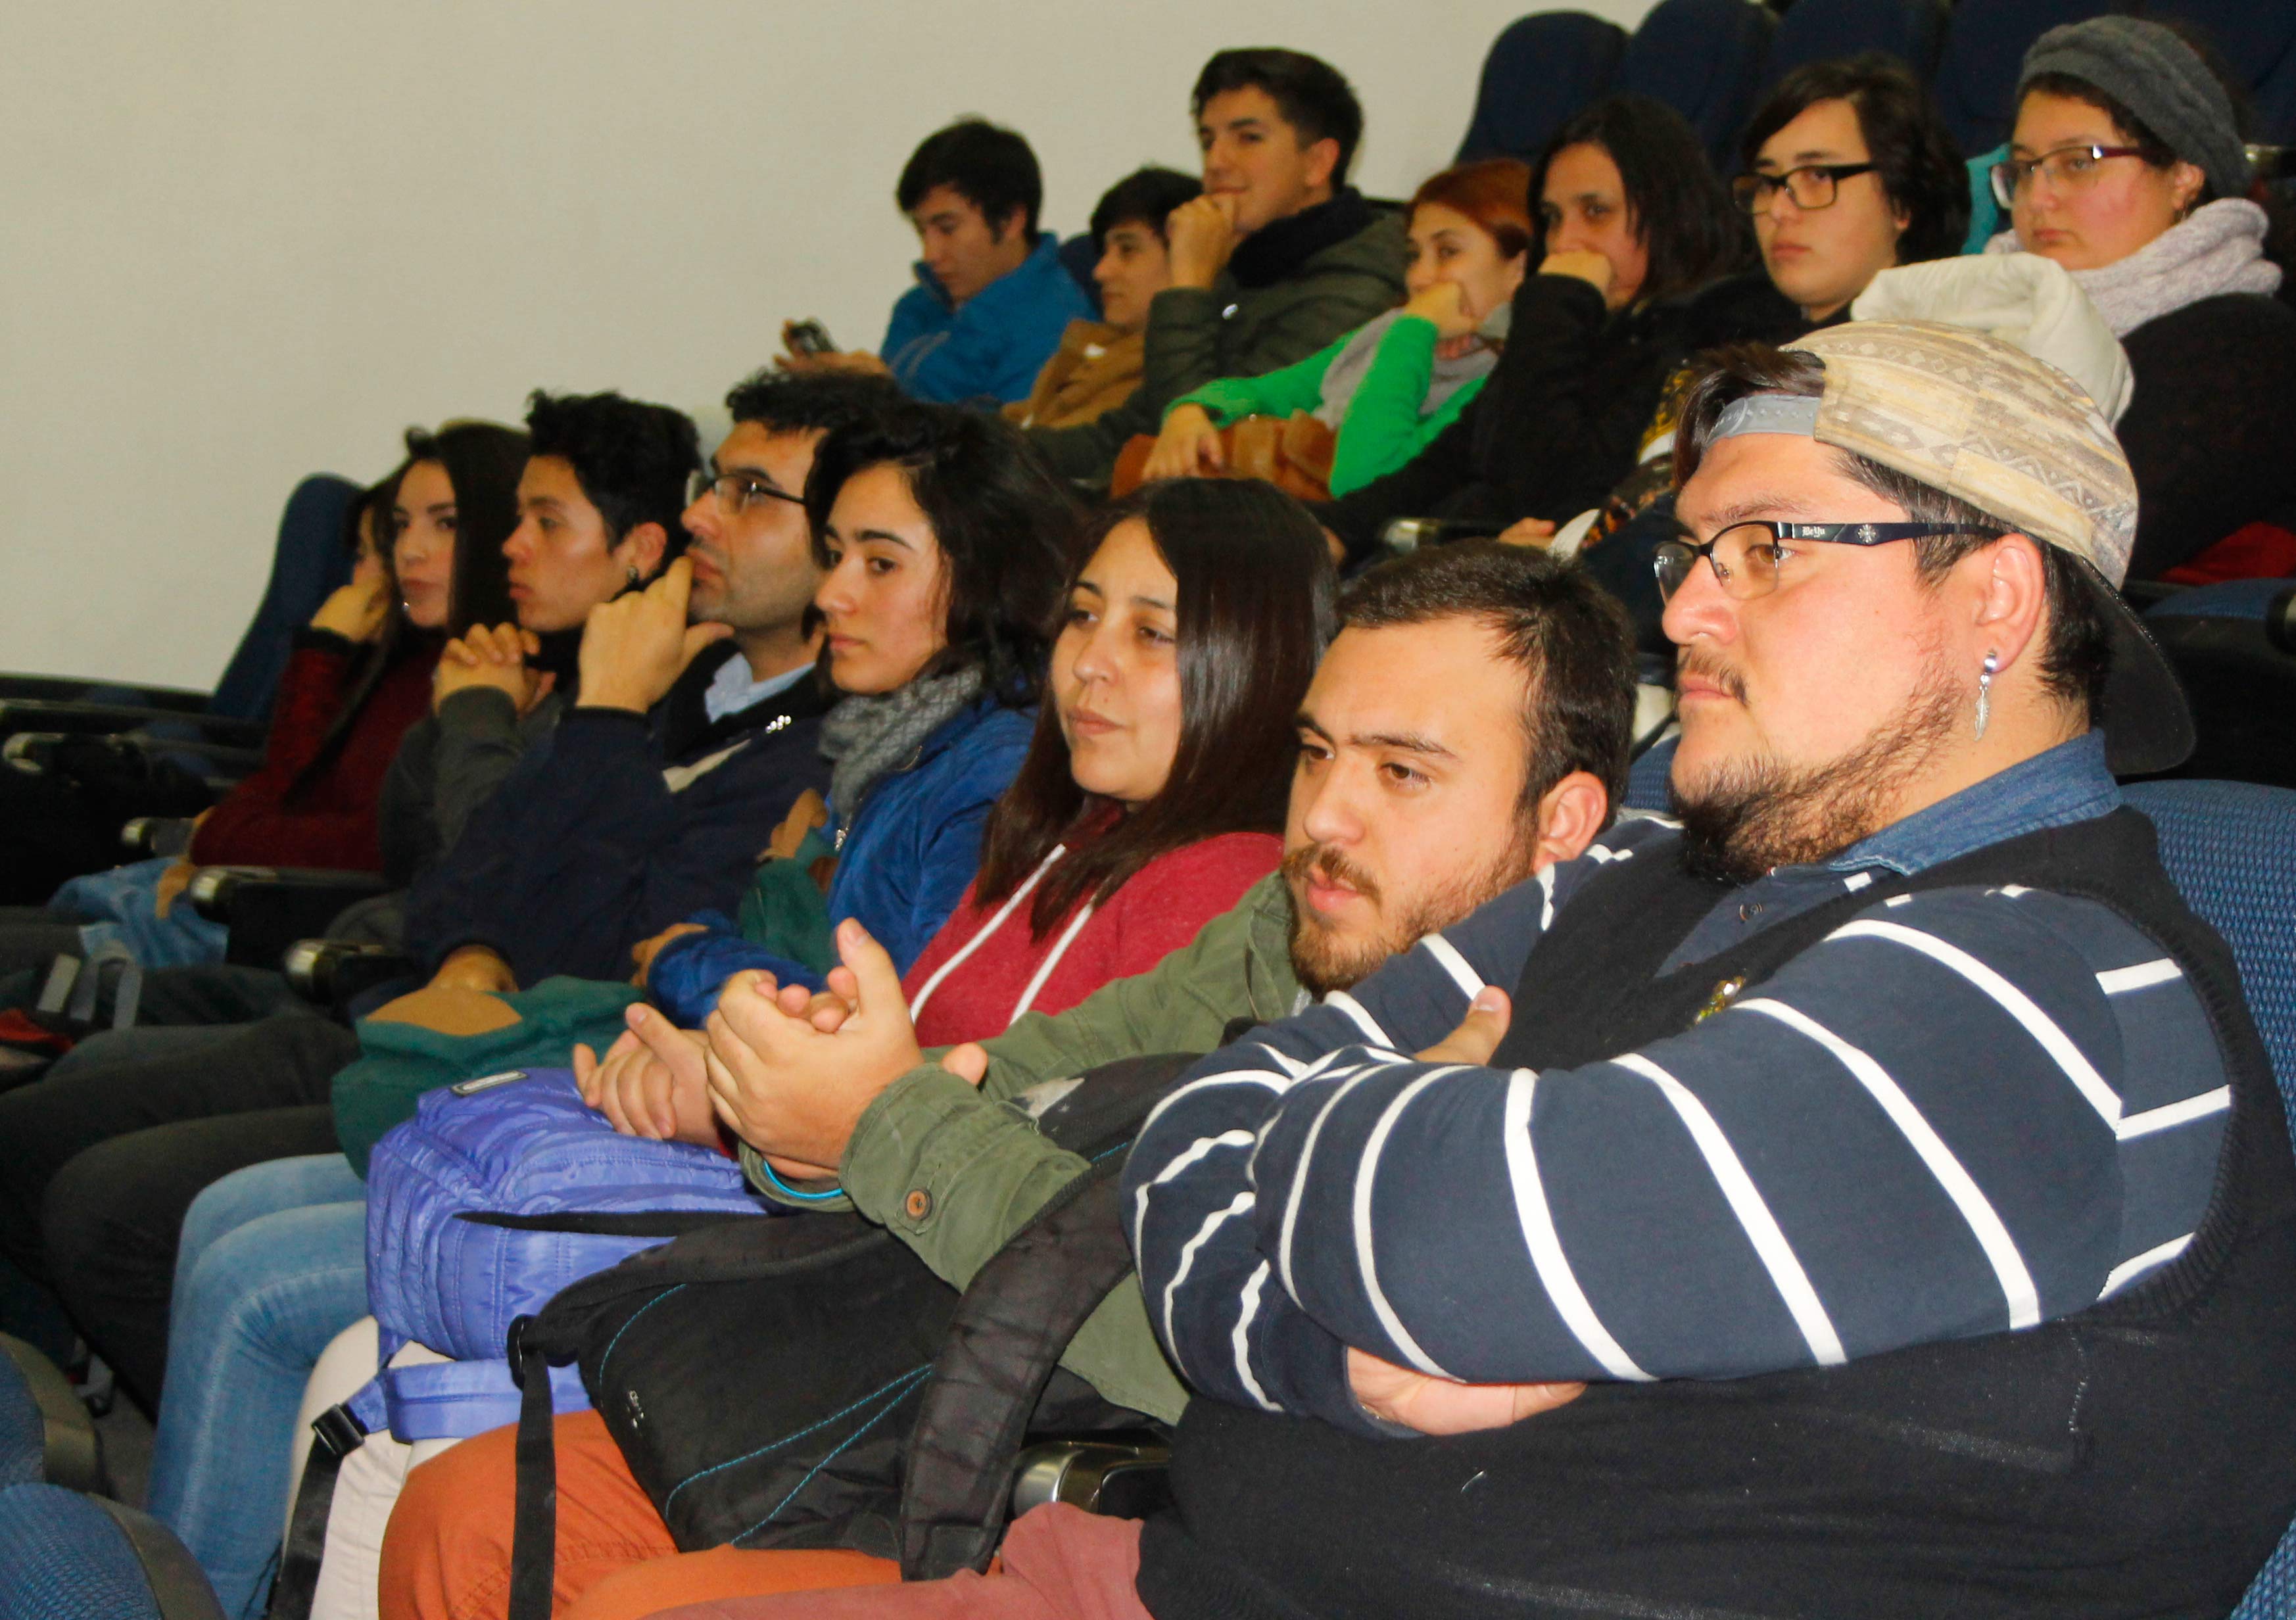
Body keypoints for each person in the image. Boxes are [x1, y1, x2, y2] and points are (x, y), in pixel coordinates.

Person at [1106, 323, 2296, 1620]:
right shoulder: (1643, 866)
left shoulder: (2052, 985)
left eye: (1768, 548)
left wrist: (1357, 1113)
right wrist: (1330, 1357)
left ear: (1995, 599)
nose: (1678, 613)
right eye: (1692, 554)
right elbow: (1193, 1125)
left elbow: (1437, 1241)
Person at [377, 540, 1640, 1620]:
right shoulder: (1281, 920)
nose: (1324, 817)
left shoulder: (1555, 1069)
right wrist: (787, 1096)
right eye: (1316, 754)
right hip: (965, 1393)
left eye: (1401, 771)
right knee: (463, 1511)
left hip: (1125, 1481)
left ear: (1562, 821)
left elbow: (1212, 1342)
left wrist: (883, 1118)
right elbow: (1016, 1075)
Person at [0, 392, 698, 1419]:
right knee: (59, 1110)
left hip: (439, 1039)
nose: (507, 546)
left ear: (640, 551)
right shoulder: (535, 686)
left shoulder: (613, 717)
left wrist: (478, 719)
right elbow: (438, 876)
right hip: (378, 993)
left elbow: (473, 881)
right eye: (510, 520)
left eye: (542, 522)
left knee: (96, 1182)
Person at [638, 403, 1078, 1026]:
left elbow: (912, 1027)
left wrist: (688, 959)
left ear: (989, 576)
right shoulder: (890, 739)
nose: (829, 595)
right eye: (833, 555)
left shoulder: (998, 776)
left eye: (881, 564)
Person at [1316, 95, 1772, 568]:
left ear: (1668, 214)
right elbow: (1449, 459)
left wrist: (1557, 302)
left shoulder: (1711, 335)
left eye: (1596, 212)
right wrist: (1336, 530)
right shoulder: (1586, 326)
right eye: (1553, 219)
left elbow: (1549, 491)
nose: (1565, 243)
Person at [1986, 16, 2296, 581]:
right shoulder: (1971, 311)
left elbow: (2082, 546)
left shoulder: (2250, 346)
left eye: (2078, 163)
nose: (2038, 198)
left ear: (2183, 176)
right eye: (2026, 168)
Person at [1024, 49, 1410, 489]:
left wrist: (1188, 285)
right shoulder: (1250, 267)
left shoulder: (1358, 292)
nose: (1216, 163)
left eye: (1248, 138)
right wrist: (985, 449)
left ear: (1318, 163)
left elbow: (1201, 453)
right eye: (1208, 141)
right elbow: (1121, 435)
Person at [1141, 158, 1532, 498]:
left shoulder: (1508, 379)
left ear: (1519, 268)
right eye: (1414, 255)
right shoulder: (1389, 333)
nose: (1419, 277)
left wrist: (1414, 329)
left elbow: (1363, 480)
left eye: (1448, 252)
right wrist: (1195, 410)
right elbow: (1271, 391)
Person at [780, 120, 1091, 408]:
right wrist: (842, 391)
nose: (930, 254)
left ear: (1010, 220)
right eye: (921, 232)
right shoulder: (918, 306)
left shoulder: (1060, 328)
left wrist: (884, 396)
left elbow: (1012, 443)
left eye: (947, 229)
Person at [1002, 168, 1203, 433]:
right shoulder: (1087, 346)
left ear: (1186, 255)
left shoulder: (1169, 377)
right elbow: (1021, 420)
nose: (1100, 272)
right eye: (1105, 252)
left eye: (1127, 250)